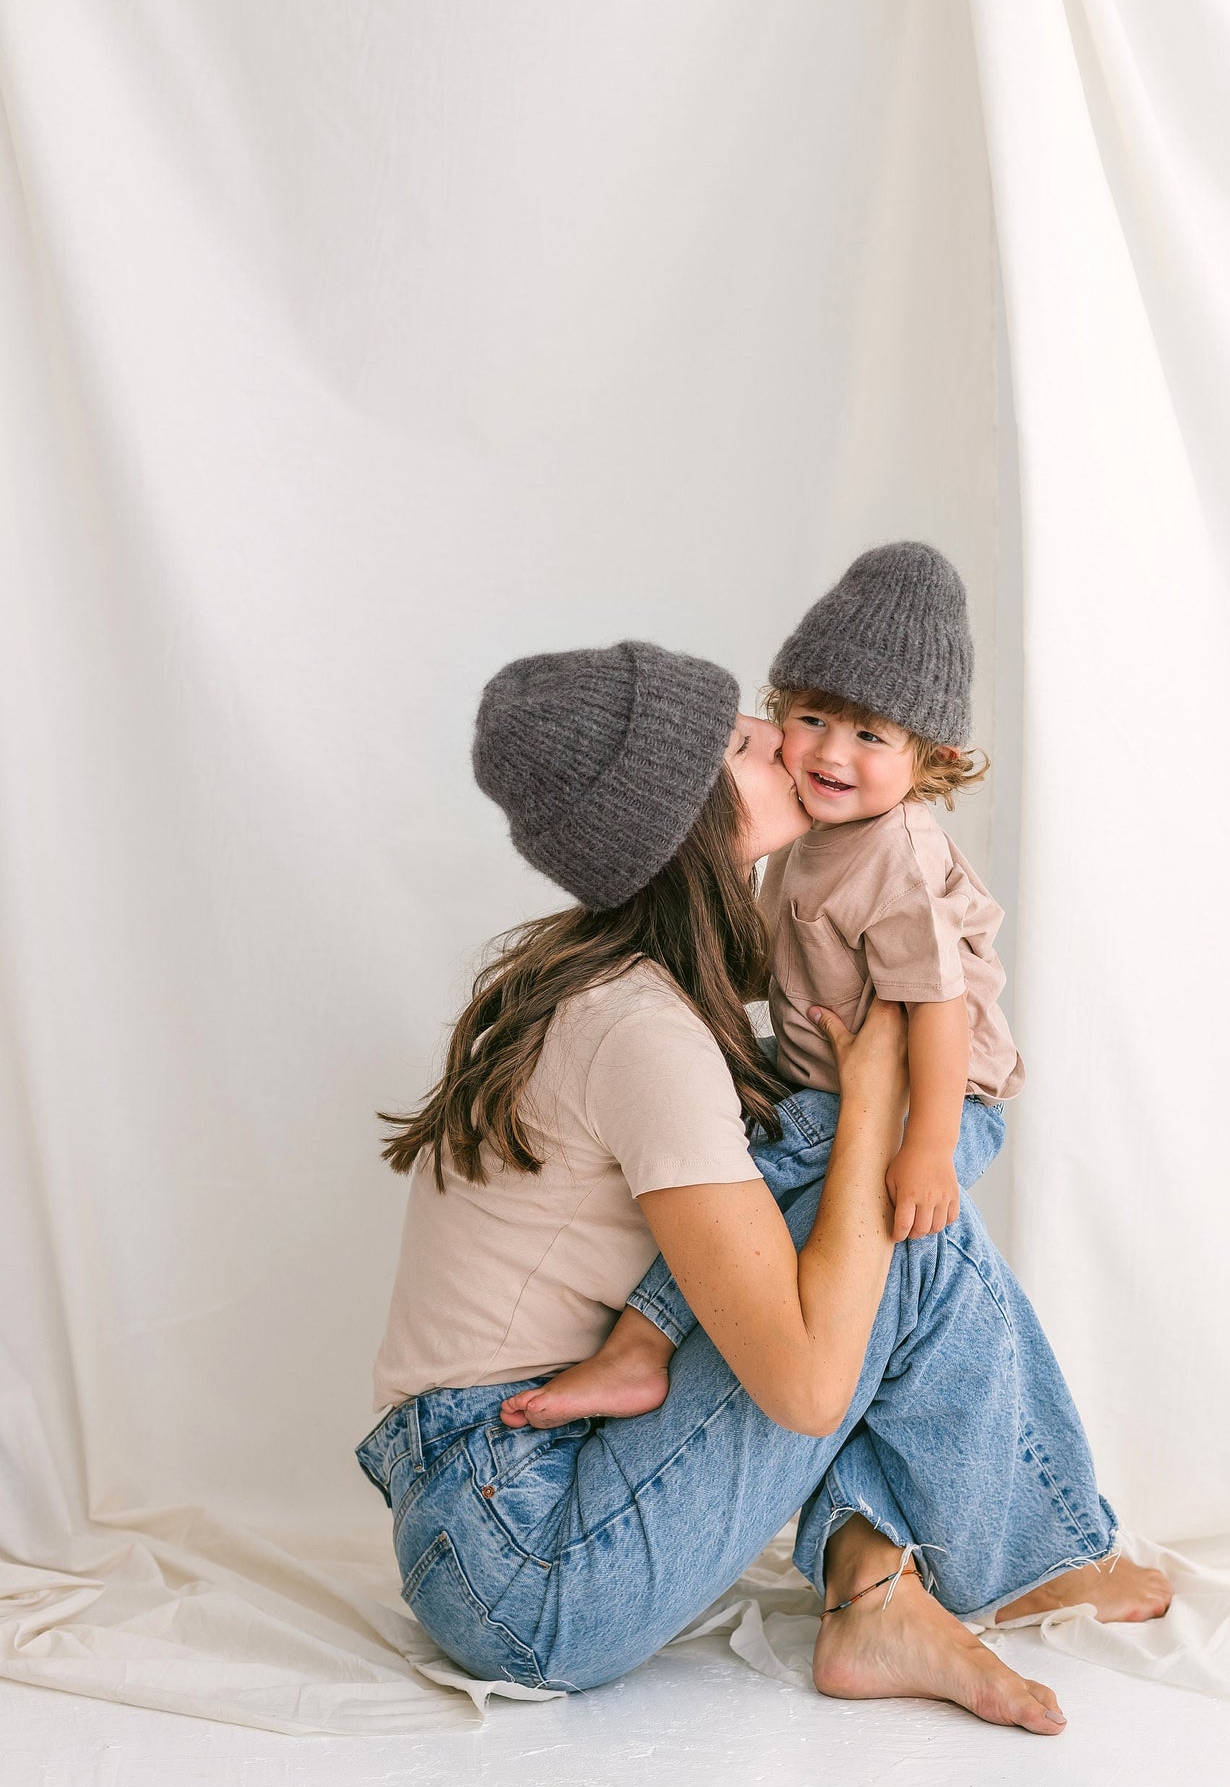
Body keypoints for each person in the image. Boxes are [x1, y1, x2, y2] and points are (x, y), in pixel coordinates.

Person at [357, 638, 1169, 1731]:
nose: (786, 746)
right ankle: (1023, 1554)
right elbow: (800, 1387)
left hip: (494, 1506)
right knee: (901, 1223)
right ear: (680, 817)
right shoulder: (640, 1030)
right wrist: (878, 1099)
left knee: (868, 1221)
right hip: (524, 1557)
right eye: (745, 741)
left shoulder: (627, 985)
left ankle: (879, 1595)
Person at [501, 541, 1021, 1433]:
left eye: (870, 735)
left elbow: (937, 1009)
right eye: (813, 718)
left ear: (926, 758)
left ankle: (642, 1342)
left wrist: (929, 1143)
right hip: (827, 1067)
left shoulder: (894, 854)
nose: (829, 753)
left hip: (930, 1096)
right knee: (731, 1139)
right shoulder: (817, 832)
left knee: (780, 1180)